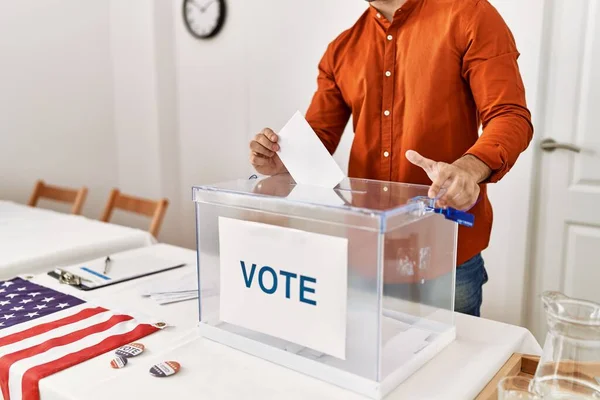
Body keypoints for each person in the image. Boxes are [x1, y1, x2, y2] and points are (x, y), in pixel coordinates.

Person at [248, 0, 533, 317]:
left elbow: (509, 115)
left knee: (454, 364)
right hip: (367, 251)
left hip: (447, 251)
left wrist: (469, 168)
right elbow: (320, 136)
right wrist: (283, 162)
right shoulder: (341, 50)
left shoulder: (471, 16)